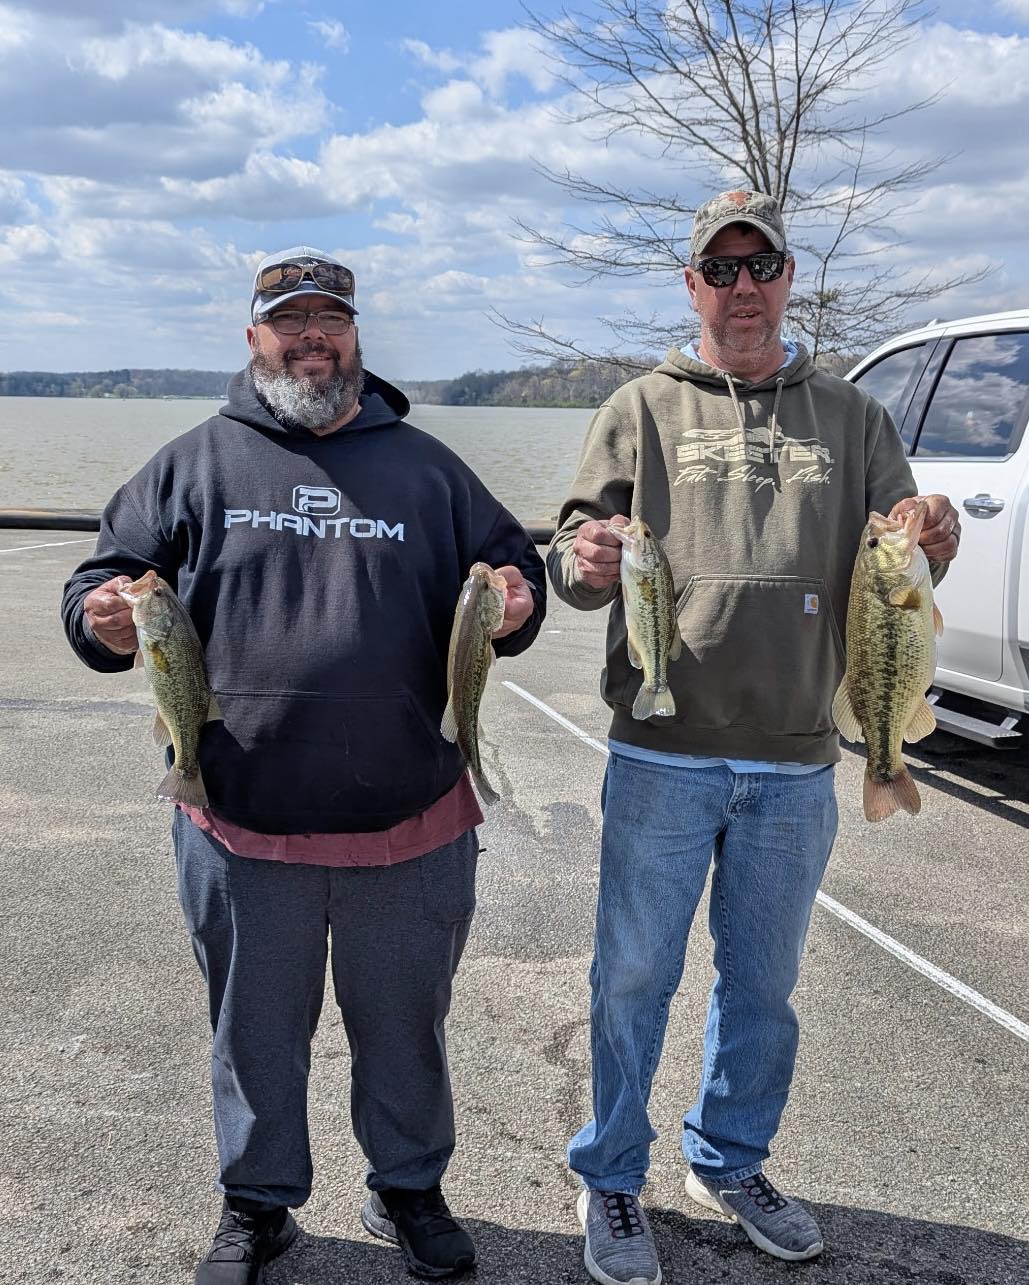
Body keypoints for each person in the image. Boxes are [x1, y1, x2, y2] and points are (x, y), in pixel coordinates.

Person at [61, 247, 546, 1285]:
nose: (310, 336)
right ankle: (258, 1203)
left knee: (405, 1030)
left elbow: (516, 573)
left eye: (329, 319)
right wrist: (100, 617)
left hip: (411, 820)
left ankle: (407, 1187)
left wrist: (516, 601)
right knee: (253, 1034)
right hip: (239, 821)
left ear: (356, 336)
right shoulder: (193, 464)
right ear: (254, 338)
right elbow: (100, 580)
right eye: (289, 320)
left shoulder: (428, 468)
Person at [547, 191, 960, 1285]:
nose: (742, 289)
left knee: (762, 986)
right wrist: (581, 561)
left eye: (760, 266)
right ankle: (611, 1174)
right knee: (632, 976)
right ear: (691, 285)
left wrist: (937, 530)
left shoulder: (853, 416)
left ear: (787, 278)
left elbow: (911, 553)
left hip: (795, 760)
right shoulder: (639, 407)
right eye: (719, 270)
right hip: (661, 750)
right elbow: (572, 556)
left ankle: (729, 1158)